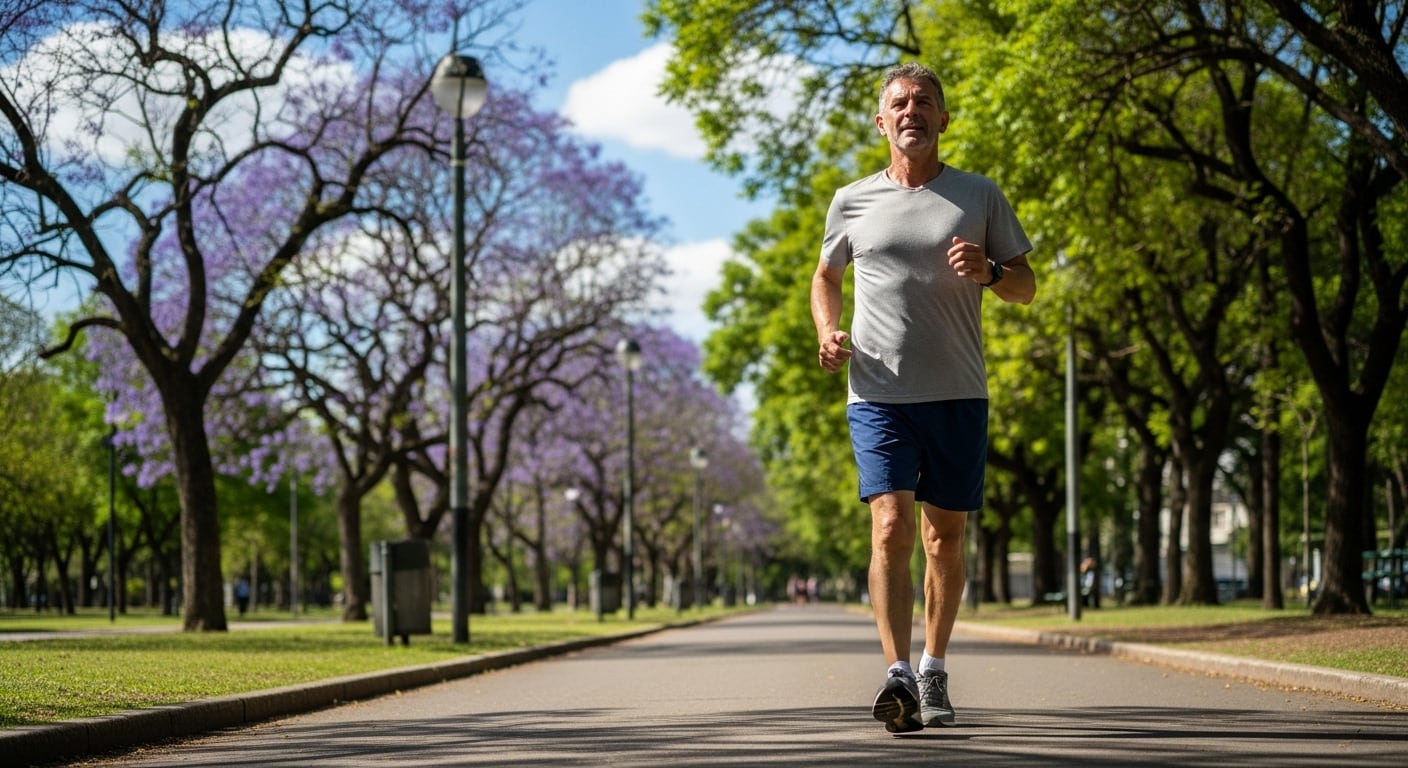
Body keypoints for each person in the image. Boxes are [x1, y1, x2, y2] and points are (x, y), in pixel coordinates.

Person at [810, 62, 1035, 734]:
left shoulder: (979, 195)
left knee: (945, 538)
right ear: (882, 121)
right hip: (877, 392)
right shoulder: (852, 200)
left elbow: (1025, 286)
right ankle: (898, 673)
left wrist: (990, 272)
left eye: (924, 102)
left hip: (958, 391)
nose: (912, 111)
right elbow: (825, 277)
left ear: (943, 119)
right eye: (900, 103)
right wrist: (827, 331)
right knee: (890, 526)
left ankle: (934, 665)